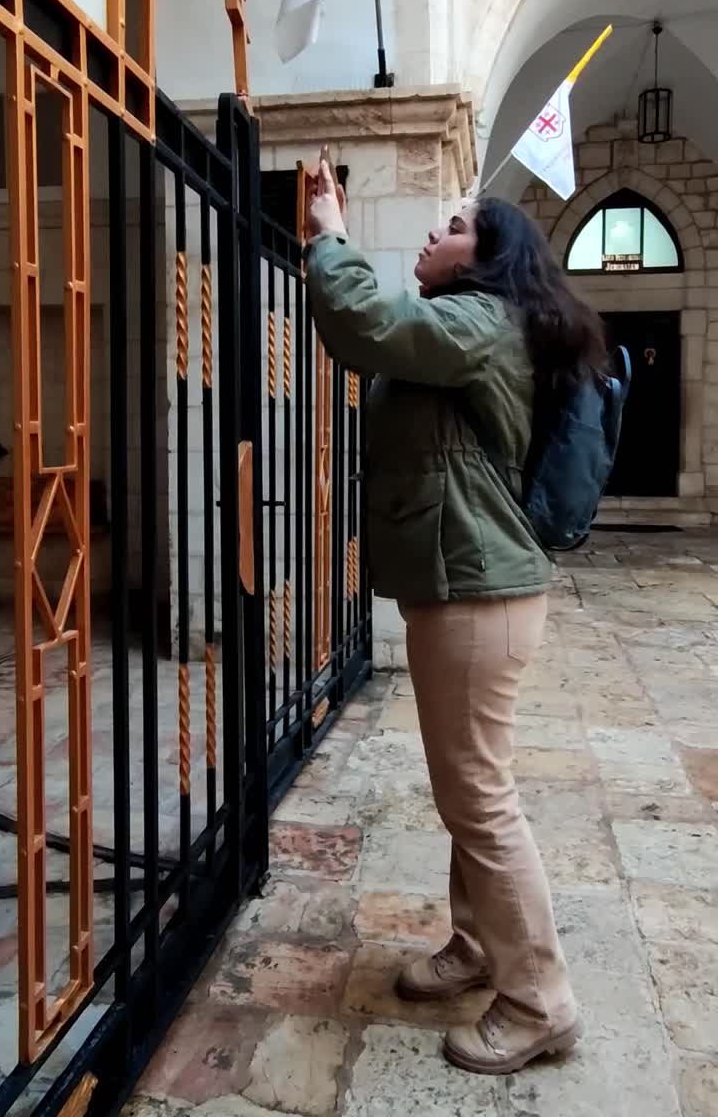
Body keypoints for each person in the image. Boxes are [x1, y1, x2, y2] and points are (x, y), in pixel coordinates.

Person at [305, 162, 607, 1076]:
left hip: (481, 593)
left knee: (478, 797)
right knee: (471, 788)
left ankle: (540, 1000)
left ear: (493, 258)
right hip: (472, 588)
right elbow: (393, 344)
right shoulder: (469, 328)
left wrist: (327, 233)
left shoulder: (480, 324)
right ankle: (479, 948)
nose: (434, 235)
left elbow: (371, 326)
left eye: (455, 226)